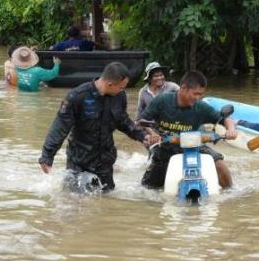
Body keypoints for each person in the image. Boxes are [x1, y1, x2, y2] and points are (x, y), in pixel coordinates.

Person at [38, 62, 156, 192]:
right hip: (79, 161)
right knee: (74, 203)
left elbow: (123, 120)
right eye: (121, 87)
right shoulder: (77, 96)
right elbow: (60, 127)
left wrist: (142, 135)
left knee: (105, 202)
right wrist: (47, 156)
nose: (122, 91)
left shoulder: (119, 97)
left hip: (105, 161)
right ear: (110, 84)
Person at [140, 70, 237, 189]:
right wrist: (152, 133)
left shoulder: (201, 107)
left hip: (193, 145)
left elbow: (225, 118)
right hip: (165, 146)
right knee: (148, 188)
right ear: (184, 88)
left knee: (219, 164)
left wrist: (231, 129)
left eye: (200, 94)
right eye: (195, 94)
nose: (198, 98)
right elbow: (141, 120)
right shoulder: (162, 101)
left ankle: (230, 191)